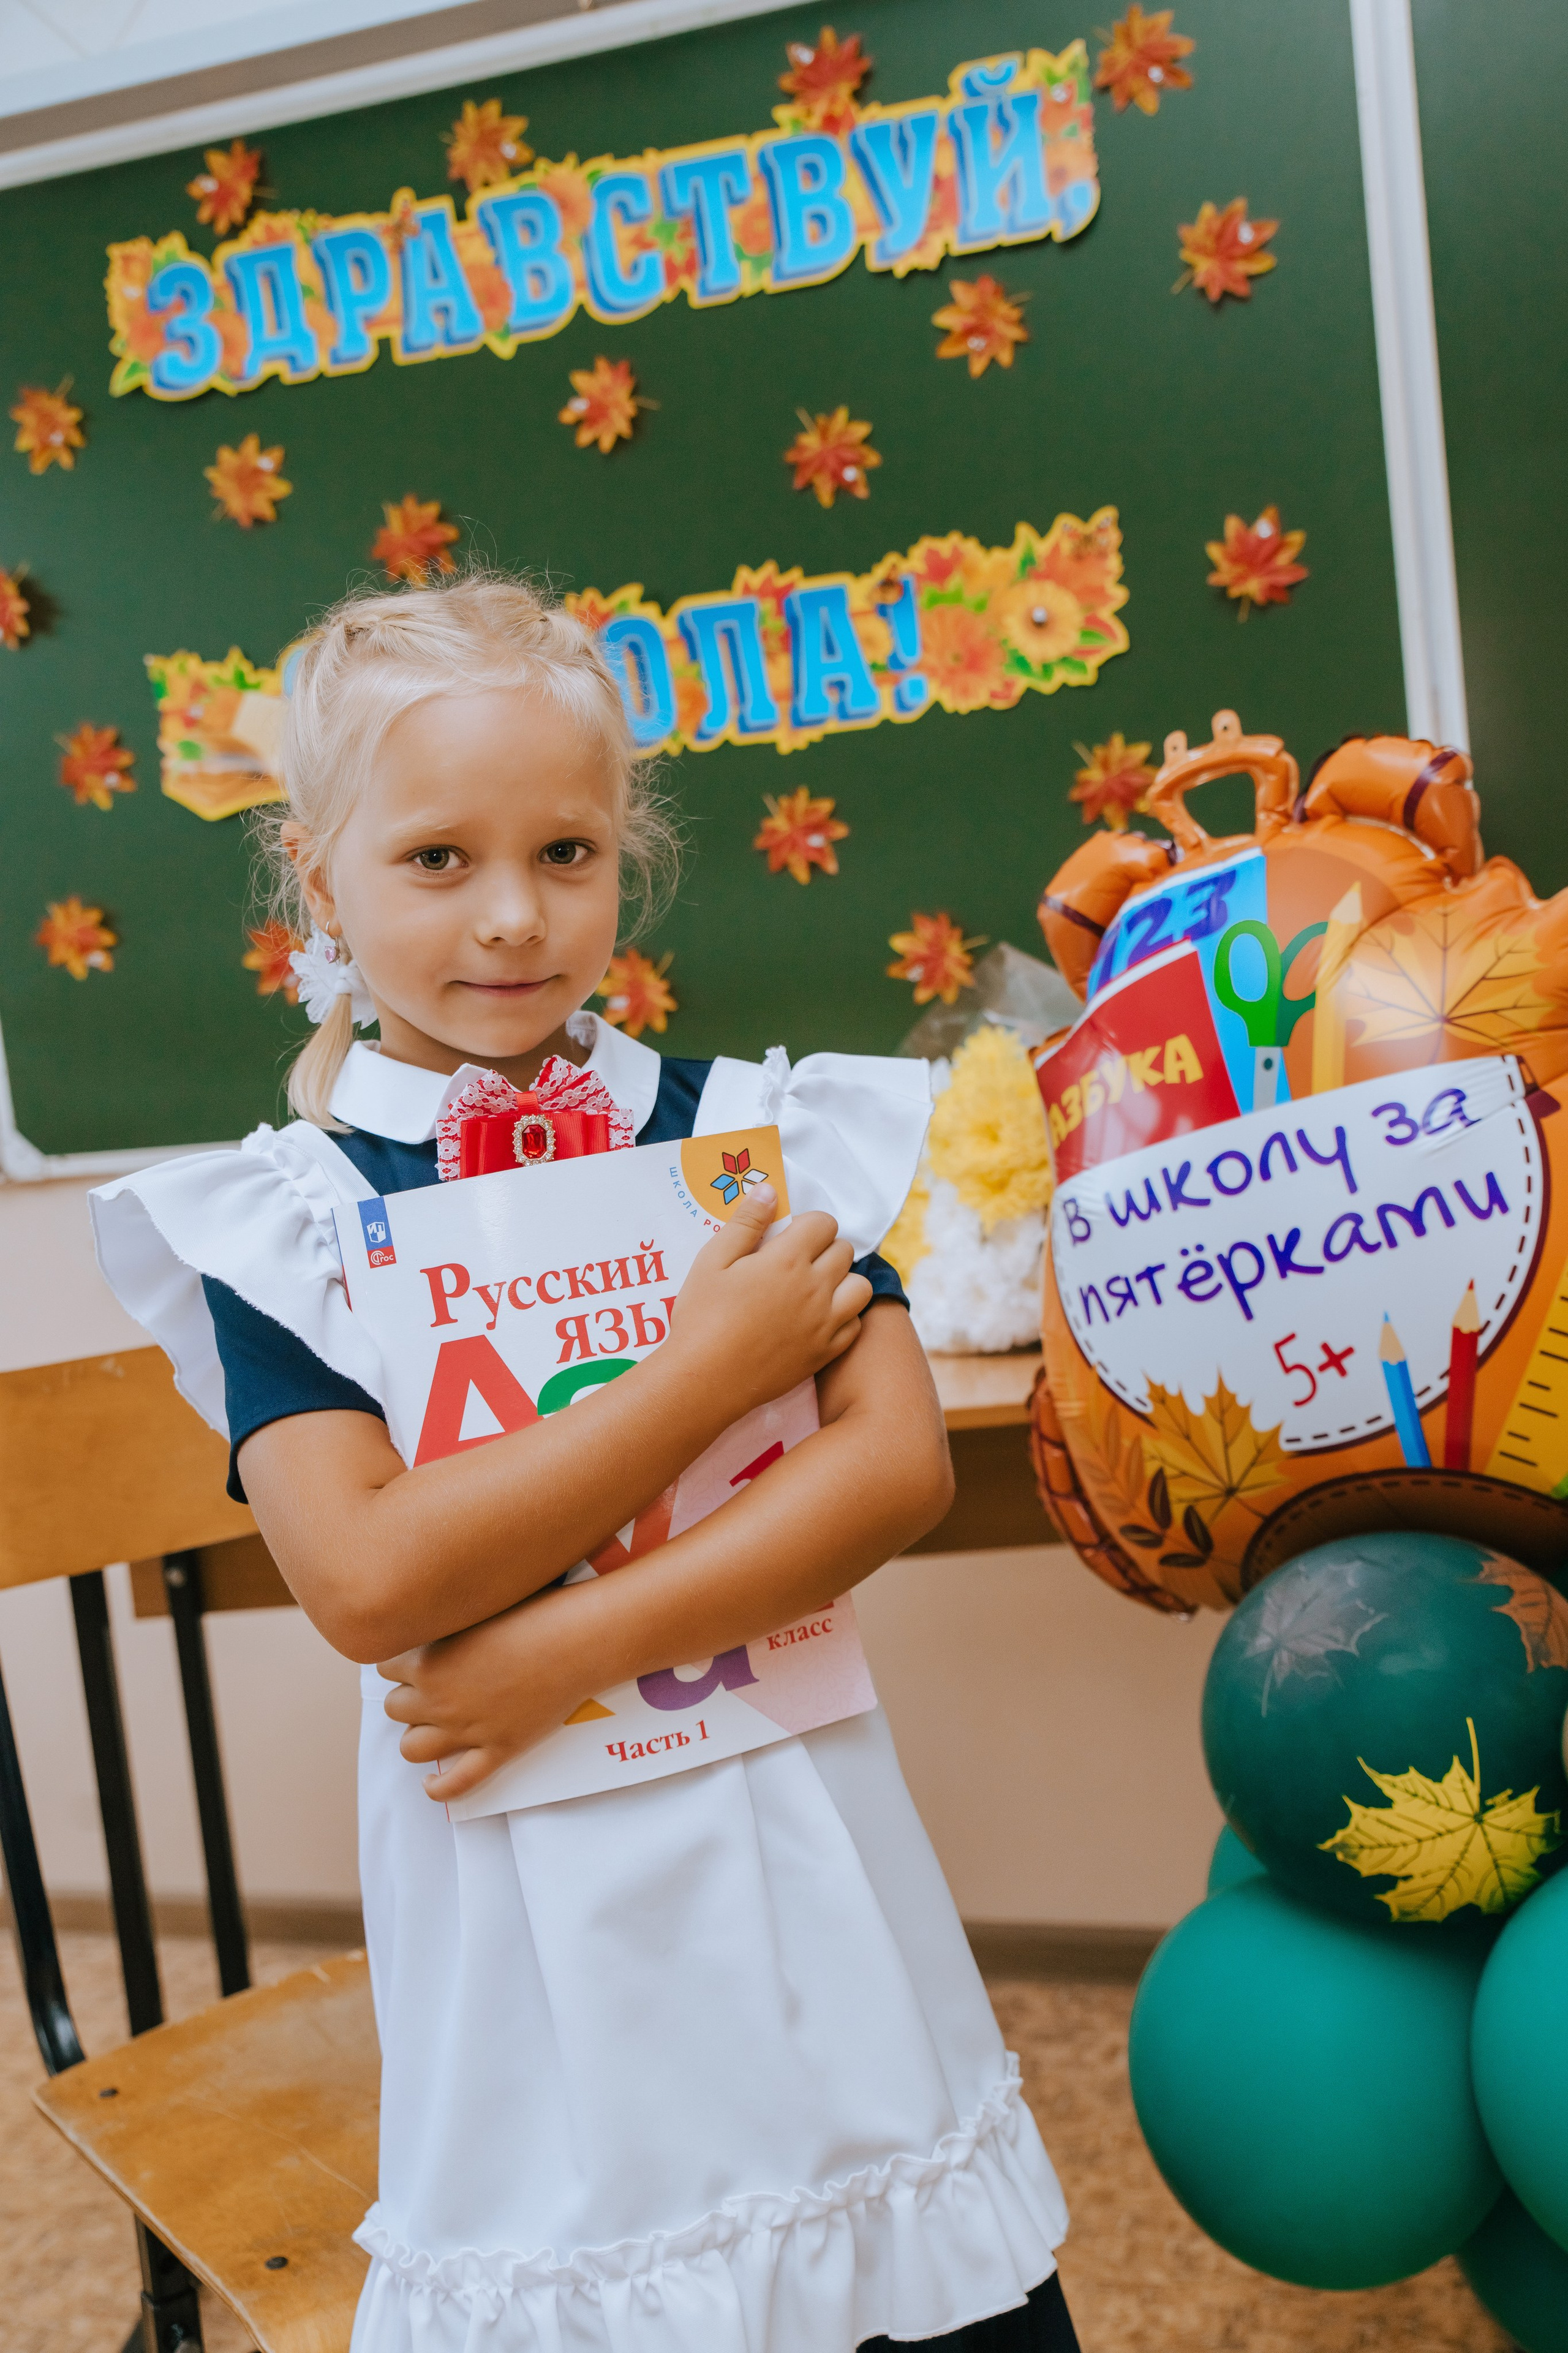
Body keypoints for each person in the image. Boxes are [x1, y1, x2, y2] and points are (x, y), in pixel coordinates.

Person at [92, 575, 1077, 2353]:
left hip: (796, 1833)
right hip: (529, 1906)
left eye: (566, 852)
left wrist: (554, 1645)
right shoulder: (289, 1218)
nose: (513, 915)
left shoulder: (741, 1131)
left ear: (628, 854)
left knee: (905, 2260)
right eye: (437, 860)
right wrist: (707, 1374)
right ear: (317, 880)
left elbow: (895, 1469)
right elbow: (372, 1575)